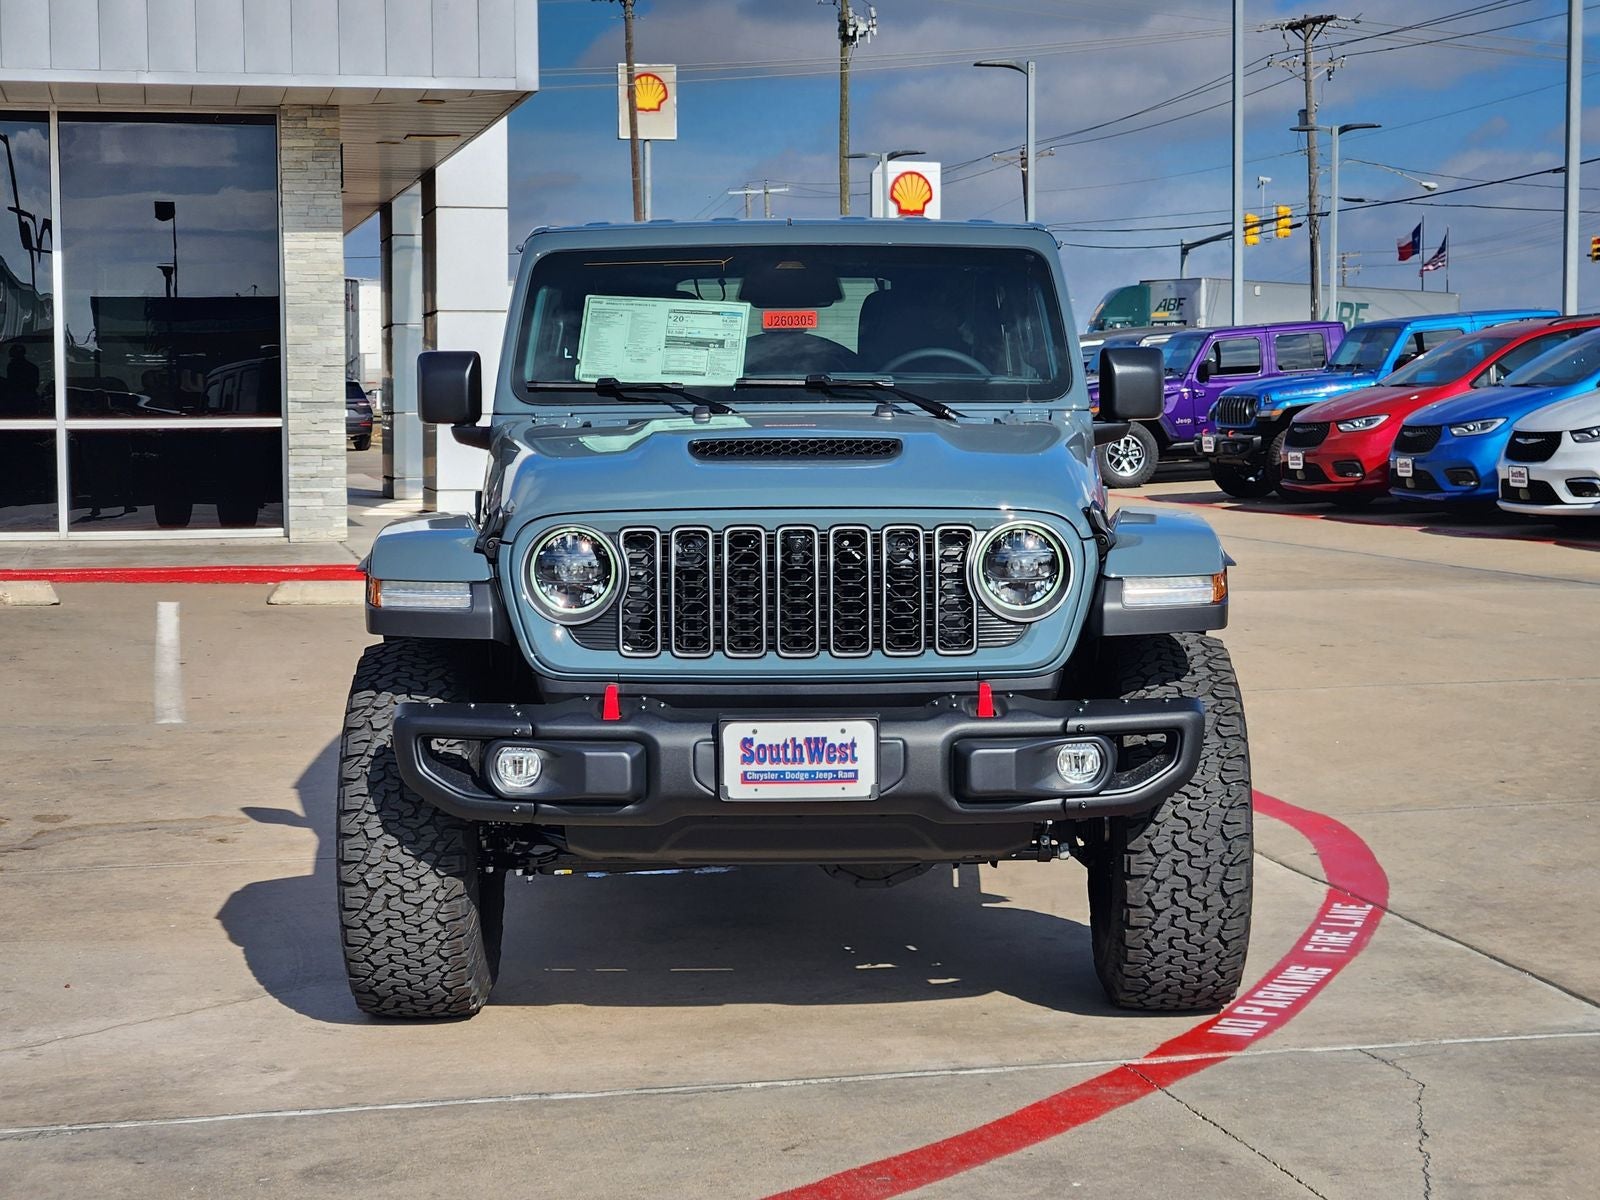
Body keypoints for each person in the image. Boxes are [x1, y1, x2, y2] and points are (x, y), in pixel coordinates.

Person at [2, 342, 40, 417]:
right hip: (27, 400)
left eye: (13, 356)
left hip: (21, 401)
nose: (12, 359)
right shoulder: (33, 367)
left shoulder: (12, 366)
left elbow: (12, 383)